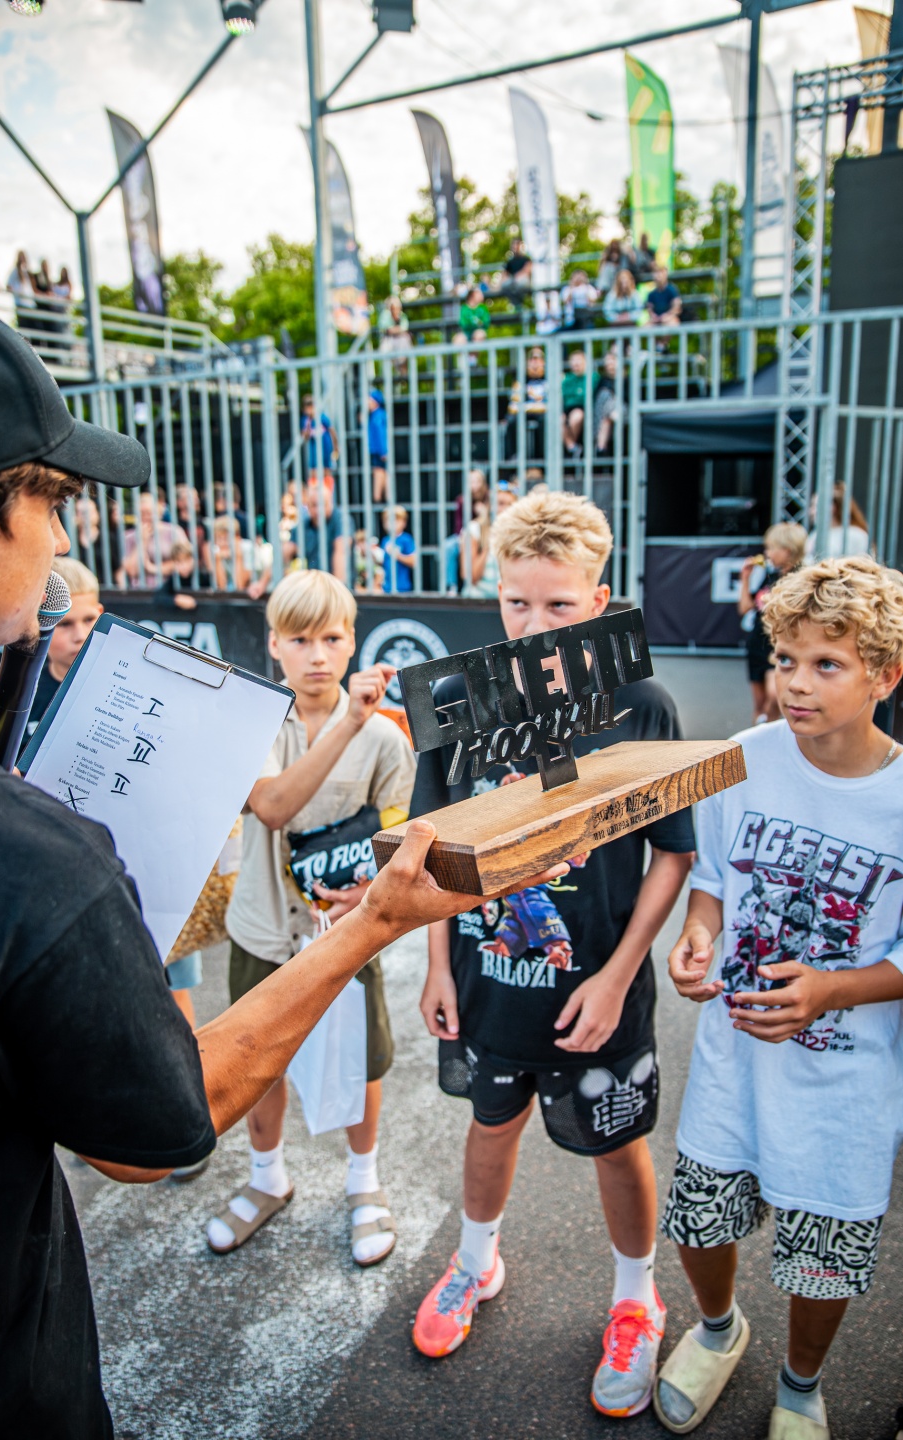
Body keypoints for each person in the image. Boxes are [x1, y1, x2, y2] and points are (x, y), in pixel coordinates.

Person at [0, 290, 569, 1437]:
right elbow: (152, 1135)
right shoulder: (34, 860)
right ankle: (274, 1176)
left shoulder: (17, 829)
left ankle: (350, 1182)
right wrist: (376, 921)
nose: (65, 543)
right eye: (54, 502)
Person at [410, 491, 696, 1422]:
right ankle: (474, 1262)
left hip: (596, 989)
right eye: (515, 603)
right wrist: (438, 964)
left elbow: (673, 853)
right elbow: (428, 846)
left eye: (559, 605)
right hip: (488, 978)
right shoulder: (454, 699)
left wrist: (615, 976)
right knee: (489, 1124)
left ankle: (635, 1298)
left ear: (599, 600)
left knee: (616, 1145)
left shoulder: (641, 705)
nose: (534, 627)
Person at [657, 554, 903, 1439]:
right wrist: (697, 935)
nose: (794, 683)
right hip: (732, 1061)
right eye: (784, 659)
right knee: (698, 1221)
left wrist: (834, 988)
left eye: (826, 663)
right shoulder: (741, 758)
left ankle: (800, 1385)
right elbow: (711, 879)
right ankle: (717, 1330)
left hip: (844, 1086)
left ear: (884, 675)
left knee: (821, 1260)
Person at [209, 569, 418, 1264]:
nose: (317, 656)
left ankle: (364, 1182)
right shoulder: (254, 721)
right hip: (262, 928)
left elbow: (399, 833)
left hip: (345, 932)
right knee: (254, 1061)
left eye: (331, 638)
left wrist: (371, 892)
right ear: (273, 644)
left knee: (363, 1060)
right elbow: (271, 807)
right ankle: (266, 1176)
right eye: (299, 640)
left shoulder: (385, 739)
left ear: (352, 640)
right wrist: (349, 721)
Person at [25, 555, 103, 740]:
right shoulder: (23, 694)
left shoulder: (125, 686)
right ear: (38, 623)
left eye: (89, 619)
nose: (80, 635)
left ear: (100, 613)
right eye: (64, 624)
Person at [738, 522, 807, 725]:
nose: (767, 553)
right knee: (759, 705)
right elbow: (745, 608)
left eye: (771, 548)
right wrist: (745, 578)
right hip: (757, 642)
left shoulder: (801, 580)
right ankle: (756, 741)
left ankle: (771, 732)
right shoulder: (771, 576)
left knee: (774, 698)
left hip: (778, 645)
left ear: (787, 550)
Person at [123, 490, 194, 592]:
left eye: (149, 513)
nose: (145, 517)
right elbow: (131, 571)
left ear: (159, 513)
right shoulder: (129, 536)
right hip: (140, 591)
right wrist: (142, 542)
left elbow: (187, 562)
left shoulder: (174, 531)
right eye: (141, 513)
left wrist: (152, 568)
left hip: (171, 590)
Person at [285, 477, 352, 584]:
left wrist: (337, 588)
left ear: (331, 502)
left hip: (338, 587)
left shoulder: (341, 519)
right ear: (307, 505)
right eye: (314, 505)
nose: (318, 510)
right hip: (316, 587)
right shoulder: (304, 524)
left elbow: (341, 553)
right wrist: (261, 584)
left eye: (323, 504)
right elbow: (284, 553)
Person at [804, 484, 870, 562]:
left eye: (815, 506)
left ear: (833, 508)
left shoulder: (857, 535)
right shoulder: (815, 534)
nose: (811, 511)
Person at [505, 346, 548, 464]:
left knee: (545, 420)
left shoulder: (550, 379)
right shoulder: (520, 380)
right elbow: (513, 407)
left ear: (544, 362)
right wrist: (534, 406)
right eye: (531, 360)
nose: (534, 363)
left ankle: (542, 458)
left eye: (538, 359)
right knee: (511, 420)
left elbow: (552, 405)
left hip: (542, 414)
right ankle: (513, 457)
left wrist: (528, 407)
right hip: (526, 412)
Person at [594, 346, 625, 455]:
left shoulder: (626, 379)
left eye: (612, 360)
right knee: (605, 395)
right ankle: (601, 447)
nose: (609, 363)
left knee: (611, 401)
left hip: (623, 409)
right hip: (606, 413)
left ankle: (600, 447)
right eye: (607, 361)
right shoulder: (602, 380)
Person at [300, 393, 338, 479]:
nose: (309, 409)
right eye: (307, 407)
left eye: (311, 406)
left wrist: (336, 447)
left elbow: (332, 431)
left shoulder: (322, 417)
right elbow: (304, 435)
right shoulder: (305, 420)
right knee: (313, 471)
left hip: (325, 447)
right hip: (313, 449)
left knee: (326, 470)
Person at [562, 349, 592, 456]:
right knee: (559, 418)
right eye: (573, 361)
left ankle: (568, 450)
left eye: (578, 360)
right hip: (566, 410)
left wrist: (573, 396)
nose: (575, 363)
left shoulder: (592, 377)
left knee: (576, 416)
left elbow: (583, 398)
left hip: (583, 409)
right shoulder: (566, 379)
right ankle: (572, 448)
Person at [381, 505, 415, 594]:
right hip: (386, 587)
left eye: (396, 520)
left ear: (404, 522)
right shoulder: (385, 540)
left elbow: (413, 561)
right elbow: (383, 562)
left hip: (402, 587)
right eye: (388, 520)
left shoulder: (406, 539)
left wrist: (396, 555)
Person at [367, 387, 389, 505]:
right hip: (377, 450)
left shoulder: (378, 416)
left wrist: (383, 451)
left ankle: (378, 498)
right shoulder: (375, 415)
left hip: (379, 451)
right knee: (382, 472)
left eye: (369, 400)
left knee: (379, 472)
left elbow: (381, 435)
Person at [7, 250, 35, 321]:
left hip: (29, 303)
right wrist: (17, 292)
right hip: (21, 303)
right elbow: (8, 285)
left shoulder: (26, 271)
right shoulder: (15, 271)